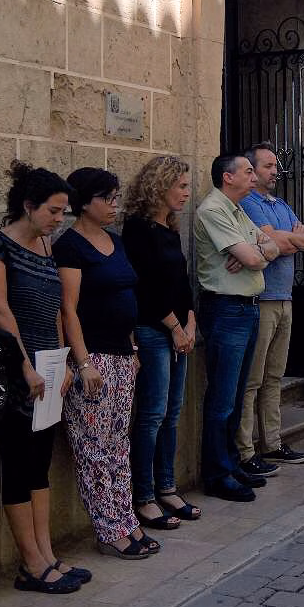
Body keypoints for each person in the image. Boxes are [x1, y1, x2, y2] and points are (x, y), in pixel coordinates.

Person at [0, 162, 83, 595]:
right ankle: (31, 563)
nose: (59, 221)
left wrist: (62, 365)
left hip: (48, 370)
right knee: (19, 465)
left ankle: (47, 552)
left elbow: (55, 310)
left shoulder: (46, 247)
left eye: (63, 212)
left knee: (39, 465)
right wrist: (26, 366)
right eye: (54, 212)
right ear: (28, 206)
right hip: (15, 371)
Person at [57, 168, 157, 561]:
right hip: (92, 359)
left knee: (118, 444)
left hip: (121, 355)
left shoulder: (115, 241)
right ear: (84, 202)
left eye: (117, 197)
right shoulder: (70, 246)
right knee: (94, 448)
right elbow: (68, 308)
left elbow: (126, 297)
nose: (115, 204)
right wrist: (82, 362)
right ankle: (109, 529)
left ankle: (127, 520)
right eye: (108, 198)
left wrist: (132, 350)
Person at [194, 154, 280, 503]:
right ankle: (217, 473)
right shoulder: (213, 209)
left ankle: (231, 462)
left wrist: (258, 250)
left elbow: (270, 246)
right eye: (247, 171)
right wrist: (257, 252)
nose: (253, 176)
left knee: (238, 390)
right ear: (228, 177)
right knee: (223, 397)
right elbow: (256, 257)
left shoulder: (237, 208)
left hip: (247, 307)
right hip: (226, 309)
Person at [122, 157, 201, 532]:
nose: (187, 193)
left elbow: (180, 283)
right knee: (152, 414)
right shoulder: (137, 230)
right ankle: (144, 496)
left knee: (172, 412)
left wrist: (190, 320)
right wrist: (174, 326)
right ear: (160, 185)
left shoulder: (170, 228)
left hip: (177, 330)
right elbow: (146, 287)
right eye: (182, 186)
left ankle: (167, 486)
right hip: (154, 331)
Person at [237, 143, 304, 474]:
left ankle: (273, 441)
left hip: (285, 298)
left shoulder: (281, 204)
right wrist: (289, 239)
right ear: (252, 172)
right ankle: (245, 448)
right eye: (267, 166)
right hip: (263, 299)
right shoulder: (249, 204)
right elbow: (274, 243)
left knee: (274, 375)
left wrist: (289, 239)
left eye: (275, 165)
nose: (274, 170)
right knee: (253, 378)